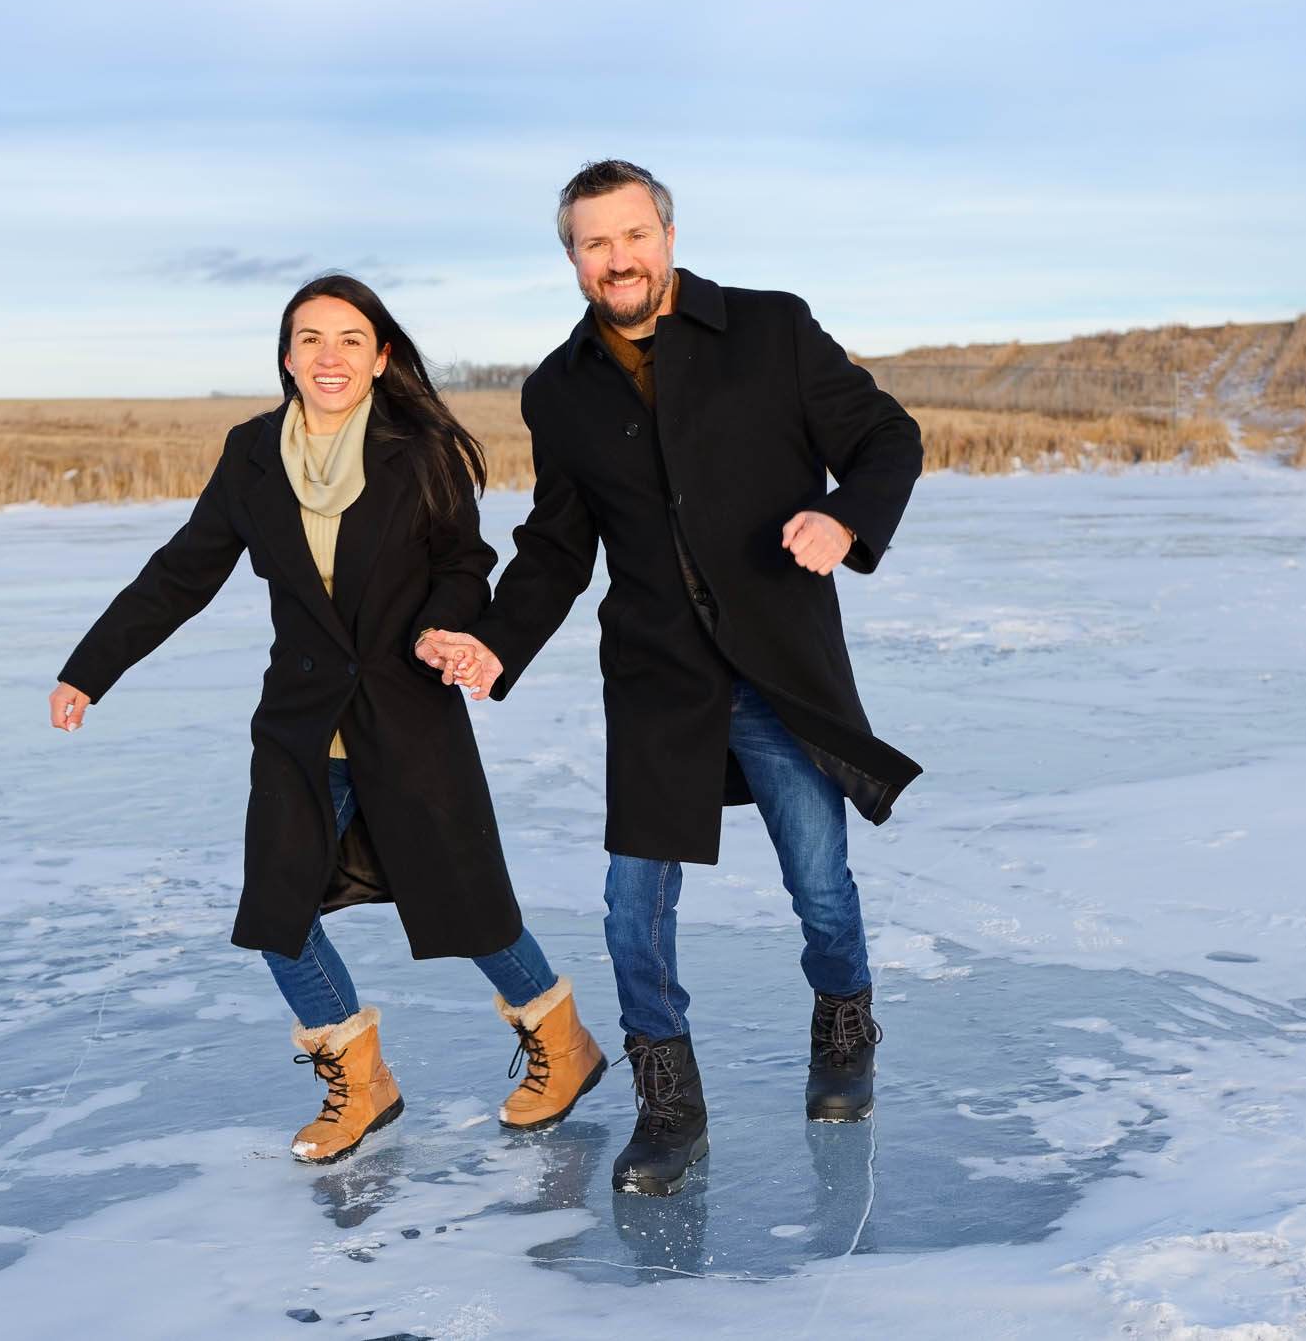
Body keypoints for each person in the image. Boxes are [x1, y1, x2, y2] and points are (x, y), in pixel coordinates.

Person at [420, 161, 923, 1195]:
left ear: (669, 235)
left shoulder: (770, 329)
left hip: (778, 665)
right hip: (657, 678)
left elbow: (887, 437)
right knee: (630, 909)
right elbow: (557, 547)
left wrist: (844, 517)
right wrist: (496, 641)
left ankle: (843, 1023)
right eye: (594, 243)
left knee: (819, 884)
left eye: (633, 235)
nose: (618, 259)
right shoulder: (559, 389)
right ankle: (669, 1103)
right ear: (572, 259)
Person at [48, 273, 606, 1165]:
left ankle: (564, 1042)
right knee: (278, 912)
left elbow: (464, 562)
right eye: (310, 338)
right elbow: (183, 571)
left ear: (381, 358)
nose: (329, 356)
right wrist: (91, 668)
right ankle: (360, 1077)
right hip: (303, 723)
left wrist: (445, 627)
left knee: (469, 904)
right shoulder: (252, 454)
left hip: (405, 710)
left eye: (350, 339)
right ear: (287, 357)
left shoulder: (419, 449)